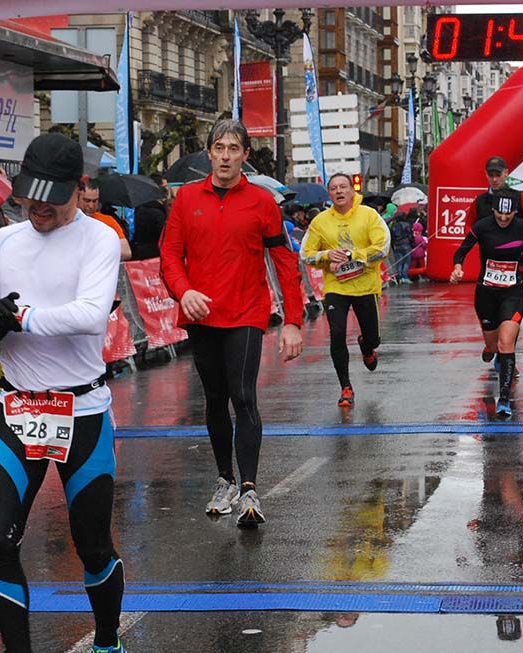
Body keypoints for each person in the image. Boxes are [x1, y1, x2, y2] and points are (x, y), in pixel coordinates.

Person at [0, 133, 126, 653]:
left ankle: (107, 641)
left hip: (81, 410)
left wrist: (21, 318)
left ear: (79, 187)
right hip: (17, 407)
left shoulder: (99, 239)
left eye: (50, 197)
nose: (37, 207)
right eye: (30, 195)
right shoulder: (5, 240)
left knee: (92, 546)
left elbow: (90, 315)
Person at [160, 119, 303, 526]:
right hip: (201, 313)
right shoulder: (187, 198)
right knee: (215, 398)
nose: (225, 156)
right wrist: (183, 291)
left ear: (245, 155)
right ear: (209, 153)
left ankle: (249, 489)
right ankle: (225, 479)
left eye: (233, 149)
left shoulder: (262, 202)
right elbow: (169, 255)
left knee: (243, 396)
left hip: (246, 312)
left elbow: (284, 262)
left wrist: (292, 321)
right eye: (219, 148)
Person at [450, 193, 523, 417]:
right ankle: (490, 349)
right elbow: (461, 251)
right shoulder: (482, 226)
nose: (504, 218)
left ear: (515, 212)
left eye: (508, 214)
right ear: (493, 211)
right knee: (493, 345)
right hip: (486, 294)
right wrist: (457, 267)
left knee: (506, 342)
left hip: (512, 293)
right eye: (499, 214)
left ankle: (504, 399)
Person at [301, 173, 389, 408]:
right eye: (333, 188)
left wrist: (353, 255)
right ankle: (346, 387)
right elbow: (306, 254)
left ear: (352, 190)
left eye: (343, 187)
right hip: (336, 287)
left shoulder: (369, 215)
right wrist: (327, 256)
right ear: (329, 194)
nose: (338, 191)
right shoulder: (320, 221)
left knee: (373, 338)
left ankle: (367, 347)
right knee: (337, 334)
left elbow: (382, 247)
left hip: (365, 286)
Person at [472, 157, 523, 233]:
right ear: (486, 174)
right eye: (491, 175)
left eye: (498, 175)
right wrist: (475, 240)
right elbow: (468, 226)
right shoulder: (479, 200)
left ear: (506, 173)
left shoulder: (521, 197)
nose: (494, 179)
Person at [80, 178, 131, 261]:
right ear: (77, 198)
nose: (91, 206)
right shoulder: (67, 221)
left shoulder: (108, 221)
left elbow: (126, 252)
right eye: (87, 201)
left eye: (95, 201)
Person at [389, 210, 415, 283]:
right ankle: (405, 276)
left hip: (397, 245)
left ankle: (400, 277)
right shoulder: (407, 225)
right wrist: (413, 243)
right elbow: (410, 235)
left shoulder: (393, 226)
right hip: (405, 244)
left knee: (399, 262)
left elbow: (392, 237)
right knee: (406, 261)